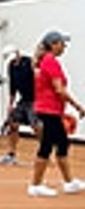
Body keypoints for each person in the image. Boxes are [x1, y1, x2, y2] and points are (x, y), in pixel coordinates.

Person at [28, 31, 84, 198]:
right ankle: (35, 185)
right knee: (47, 146)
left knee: (62, 144)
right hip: (49, 109)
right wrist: (77, 106)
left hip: (48, 109)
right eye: (61, 43)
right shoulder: (51, 62)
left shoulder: (43, 62)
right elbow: (59, 89)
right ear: (53, 44)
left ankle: (69, 182)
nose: (64, 47)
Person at [0, 45, 39, 166]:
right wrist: (10, 104)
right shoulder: (11, 66)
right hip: (23, 100)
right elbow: (13, 86)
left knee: (36, 126)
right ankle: (11, 154)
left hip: (35, 99)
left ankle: (45, 151)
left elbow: (39, 77)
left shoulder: (29, 62)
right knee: (13, 124)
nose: (13, 61)